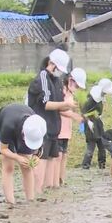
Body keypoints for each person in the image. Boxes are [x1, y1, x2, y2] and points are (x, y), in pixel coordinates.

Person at [26, 48, 77, 196]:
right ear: (51, 63)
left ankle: (48, 191)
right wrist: (66, 105)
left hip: (54, 127)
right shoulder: (42, 78)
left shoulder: (57, 81)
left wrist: (70, 110)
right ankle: (35, 192)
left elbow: (59, 105)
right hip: (41, 128)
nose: (60, 72)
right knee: (40, 160)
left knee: (52, 158)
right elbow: (46, 104)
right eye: (58, 68)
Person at [0, 104, 47, 205]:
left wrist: (37, 156)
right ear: (23, 133)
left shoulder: (39, 126)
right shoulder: (8, 126)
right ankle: (10, 202)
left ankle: (30, 200)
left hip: (23, 120)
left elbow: (40, 147)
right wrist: (17, 157)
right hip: (6, 120)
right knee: (8, 167)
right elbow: (3, 149)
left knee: (27, 166)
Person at [58, 68, 86, 186]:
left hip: (66, 130)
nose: (77, 88)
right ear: (70, 80)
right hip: (58, 128)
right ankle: (55, 180)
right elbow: (58, 109)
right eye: (77, 85)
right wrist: (74, 116)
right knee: (58, 156)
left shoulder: (70, 93)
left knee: (64, 154)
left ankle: (61, 179)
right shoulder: (61, 91)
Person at [81, 78, 112, 169]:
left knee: (101, 143)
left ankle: (102, 164)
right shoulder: (91, 99)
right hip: (90, 123)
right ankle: (85, 165)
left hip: (98, 122)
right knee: (91, 144)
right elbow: (83, 112)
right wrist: (88, 122)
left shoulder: (100, 97)